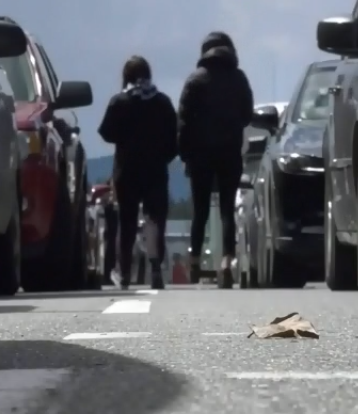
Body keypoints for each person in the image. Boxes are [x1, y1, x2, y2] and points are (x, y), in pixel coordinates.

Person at [177, 31, 254, 289]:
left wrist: (185, 153)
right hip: (230, 151)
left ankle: (195, 262)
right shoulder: (239, 78)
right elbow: (247, 114)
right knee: (227, 209)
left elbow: (184, 121)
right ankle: (226, 262)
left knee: (199, 210)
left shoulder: (195, 80)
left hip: (200, 154)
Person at [98, 55, 178, 291]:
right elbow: (175, 140)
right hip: (155, 170)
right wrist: (163, 156)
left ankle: (123, 272)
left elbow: (106, 132)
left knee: (127, 221)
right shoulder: (162, 103)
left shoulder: (119, 102)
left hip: (126, 169)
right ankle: (155, 267)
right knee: (154, 220)